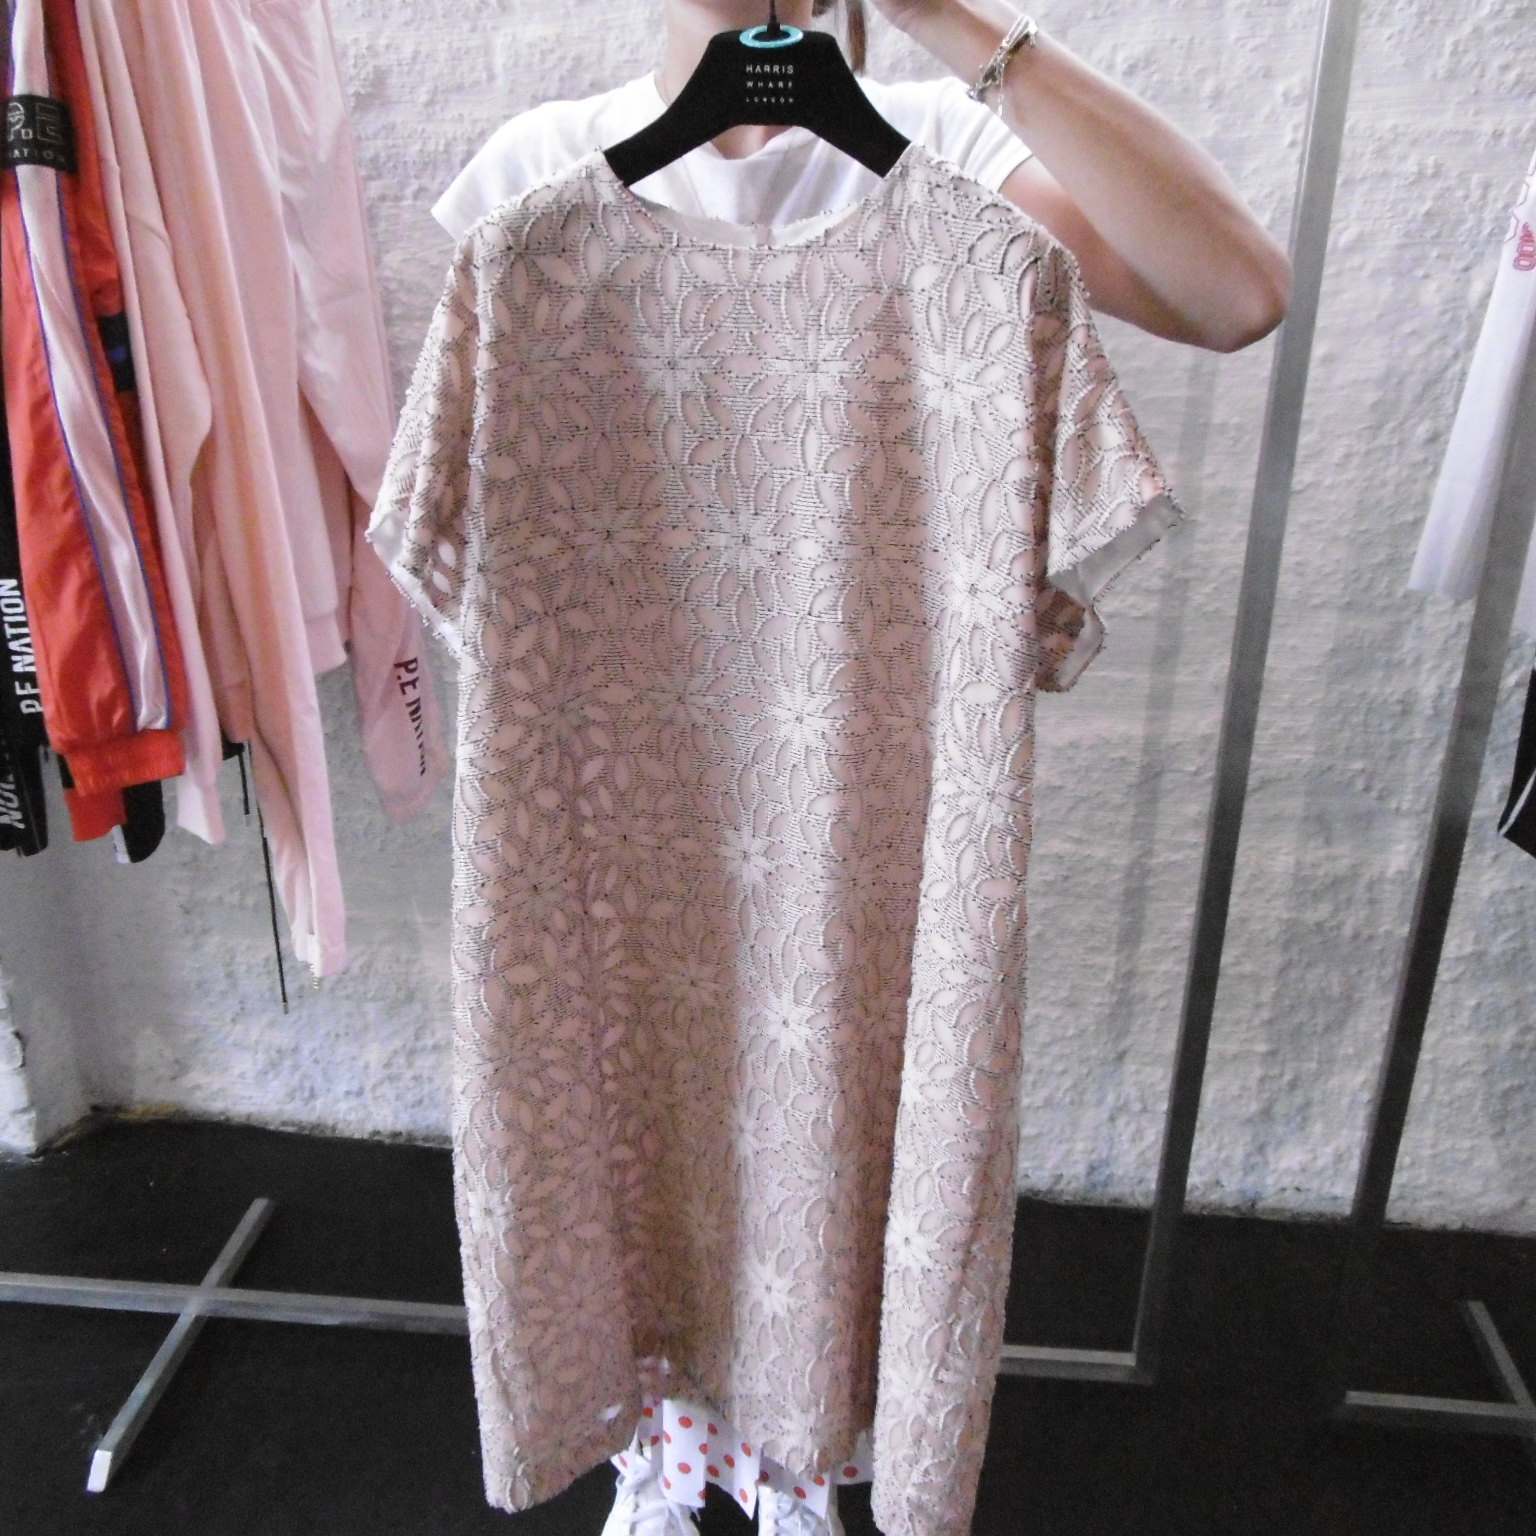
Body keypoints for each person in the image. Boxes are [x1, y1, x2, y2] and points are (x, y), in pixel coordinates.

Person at [424, 5, 1291, 1535]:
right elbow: (458, 563)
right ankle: (664, 1447)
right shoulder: (528, 200)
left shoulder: (958, 191)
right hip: (623, 823)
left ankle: (804, 1449)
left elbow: (1236, 295)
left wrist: (955, 23)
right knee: (635, 1087)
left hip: (873, 816)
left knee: (840, 1091)